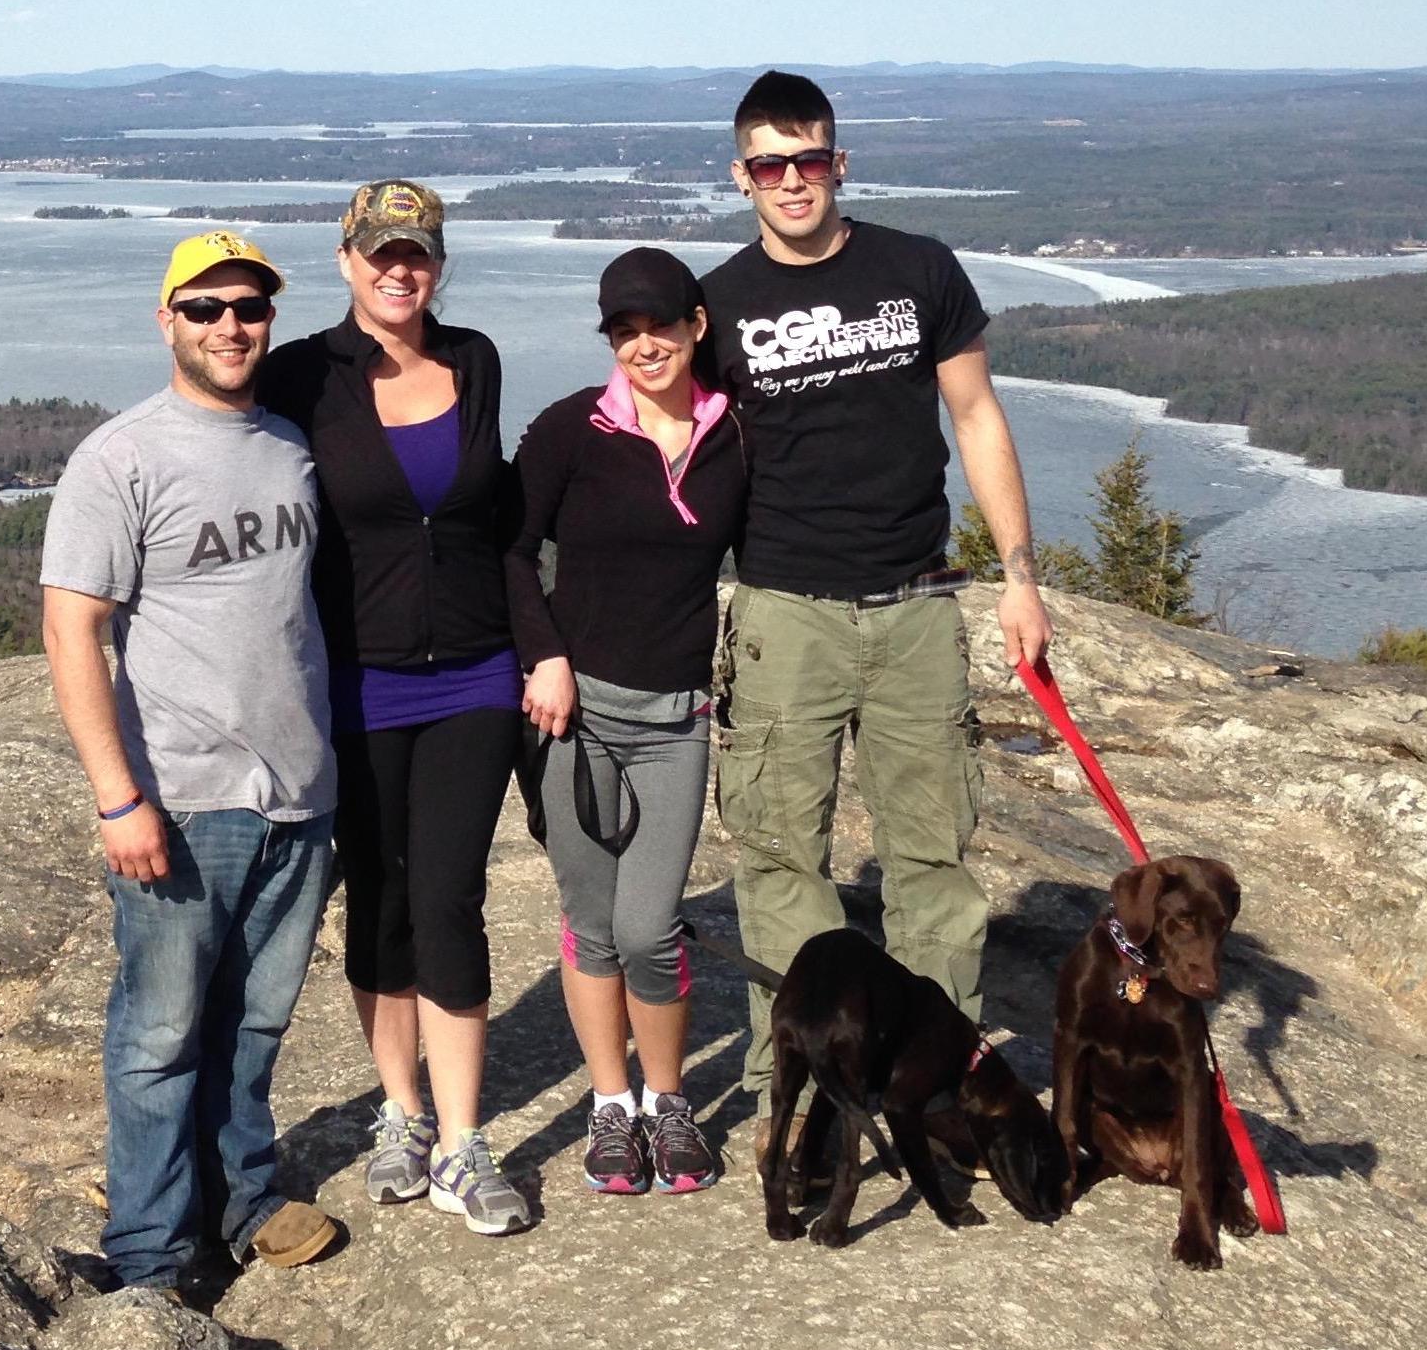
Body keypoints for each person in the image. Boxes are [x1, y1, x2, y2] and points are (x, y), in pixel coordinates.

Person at [701, 70, 1055, 1126]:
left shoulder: (919, 270)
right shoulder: (715, 302)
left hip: (913, 607)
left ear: (839, 163)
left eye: (810, 159)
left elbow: (977, 417)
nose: (793, 180)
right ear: (742, 177)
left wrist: (1021, 582)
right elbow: (672, 457)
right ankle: (801, 1084)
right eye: (771, 164)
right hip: (782, 615)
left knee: (932, 856)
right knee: (779, 860)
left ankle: (935, 1079)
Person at [39, 229, 342, 1296]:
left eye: (248, 308)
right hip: (183, 792)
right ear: (164, 318)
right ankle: (151, 1252)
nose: (230, 326)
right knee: (160, 1034)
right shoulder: (120, 458)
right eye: (205, 308)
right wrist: (120, 798)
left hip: (300, 790)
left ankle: (245, 1198)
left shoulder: (290, 446)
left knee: (255, 1021)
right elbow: (73, 629)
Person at [257, 180, 532, 1236]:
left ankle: (464, 1143)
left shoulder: (475, 360)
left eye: (416, 253)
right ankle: (402, 1113)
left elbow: (494, 517)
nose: (398, 269)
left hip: (473, 675)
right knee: (378, 895)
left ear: (439, 262)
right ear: (346, 258)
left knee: (452, 894)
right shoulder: (301, 375)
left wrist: (536, 649)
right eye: (380, 251)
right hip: (357, 680)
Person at [508, 246, 746, 1196]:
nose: (643, 343)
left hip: (676, 714)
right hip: (573, 714)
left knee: (652, 927)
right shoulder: (573, 429)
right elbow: (512, 551)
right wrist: (545, 656)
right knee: (593, 921)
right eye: (623, 329)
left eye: (659, 324)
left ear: (696, 325)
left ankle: (668, 1099)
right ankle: (613, 1108)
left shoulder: (738, 435)